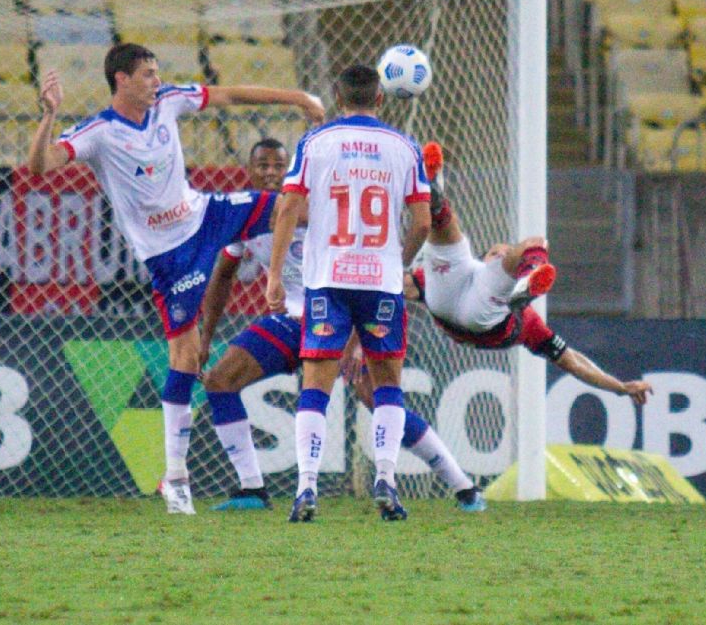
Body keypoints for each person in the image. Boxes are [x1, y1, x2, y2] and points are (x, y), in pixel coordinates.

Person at [26, 43, 324, 515]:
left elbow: (229, 96)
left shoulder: (168, 102)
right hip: (169, 255)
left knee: (297, 203)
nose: (156, 80)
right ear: (120, 80)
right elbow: (40, 166)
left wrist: (296, 98)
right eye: (147, 73)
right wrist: (48, 116)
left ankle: (357, 275)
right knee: (184, 361)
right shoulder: (100, 133)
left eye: (157, 72)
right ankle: (177, 478)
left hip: (205, 215)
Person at [200, 139, 484, 513]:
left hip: (339, 314)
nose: (269, 171)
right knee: (219, 380)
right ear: (249, 171)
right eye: (262, 164)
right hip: (289, 320)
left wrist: (356, 337)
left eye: (277, 165)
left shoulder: (316, 204)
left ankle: (462, 487)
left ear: (290, 170)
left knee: (377, 394)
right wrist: (205, 338)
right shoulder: (246, 217)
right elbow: (223, 277)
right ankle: (252, 488)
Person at [267, 64, 431, 523]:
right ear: (380, 98)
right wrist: (398, 262)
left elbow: (287, 210)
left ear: (337, 97)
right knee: (387, 383)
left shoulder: (314, 143)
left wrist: (275, 274)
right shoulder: (404, 147)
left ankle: (306, 487)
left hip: (327, 279)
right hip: (379, 281)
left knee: (316, 385)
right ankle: (386, 479)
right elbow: (421, 222)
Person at [388, 142, 652, 405]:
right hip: (459, 303)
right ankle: (433, 198)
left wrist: (619, 386)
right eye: (497, 253)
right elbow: (397, 286)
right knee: (464, 235)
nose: (502, 255)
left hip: (472, 314)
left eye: (504, 254)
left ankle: (429, 191)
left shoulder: (524, 318)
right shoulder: (489, 286)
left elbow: (572, 360)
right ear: (486, 257)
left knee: (515, 247)